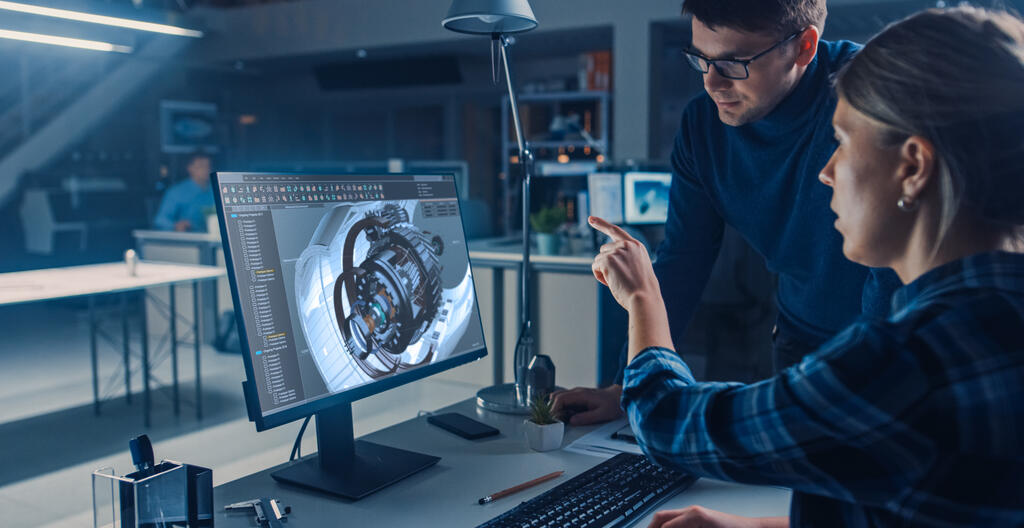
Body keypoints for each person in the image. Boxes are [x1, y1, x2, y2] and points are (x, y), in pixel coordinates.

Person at [590, 7, 1024, 526]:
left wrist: (642, 297)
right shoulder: (988, 325)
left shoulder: (901, 367)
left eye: (842, 144)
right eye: (700, 60)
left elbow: (667, 423)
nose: (826, 172)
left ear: (913, 167)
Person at [552, 0, 901, 426]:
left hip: (889, 339)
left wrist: (872, 379)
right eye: (701, 59)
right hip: (800, 339)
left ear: (804, 47)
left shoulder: (870, 97)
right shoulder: (702, 128)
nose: (712, 83)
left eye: (734, 63)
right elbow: (684, 259)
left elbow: (891, 267)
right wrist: (624, 386)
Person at [154, 153, 214, 232]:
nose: (206, 170)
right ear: (190, 168)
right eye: (201, 166)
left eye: (208, 166)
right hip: (187, 237)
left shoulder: (216, 190)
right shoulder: (176, 192)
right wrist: (175, 225)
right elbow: (160, 220)